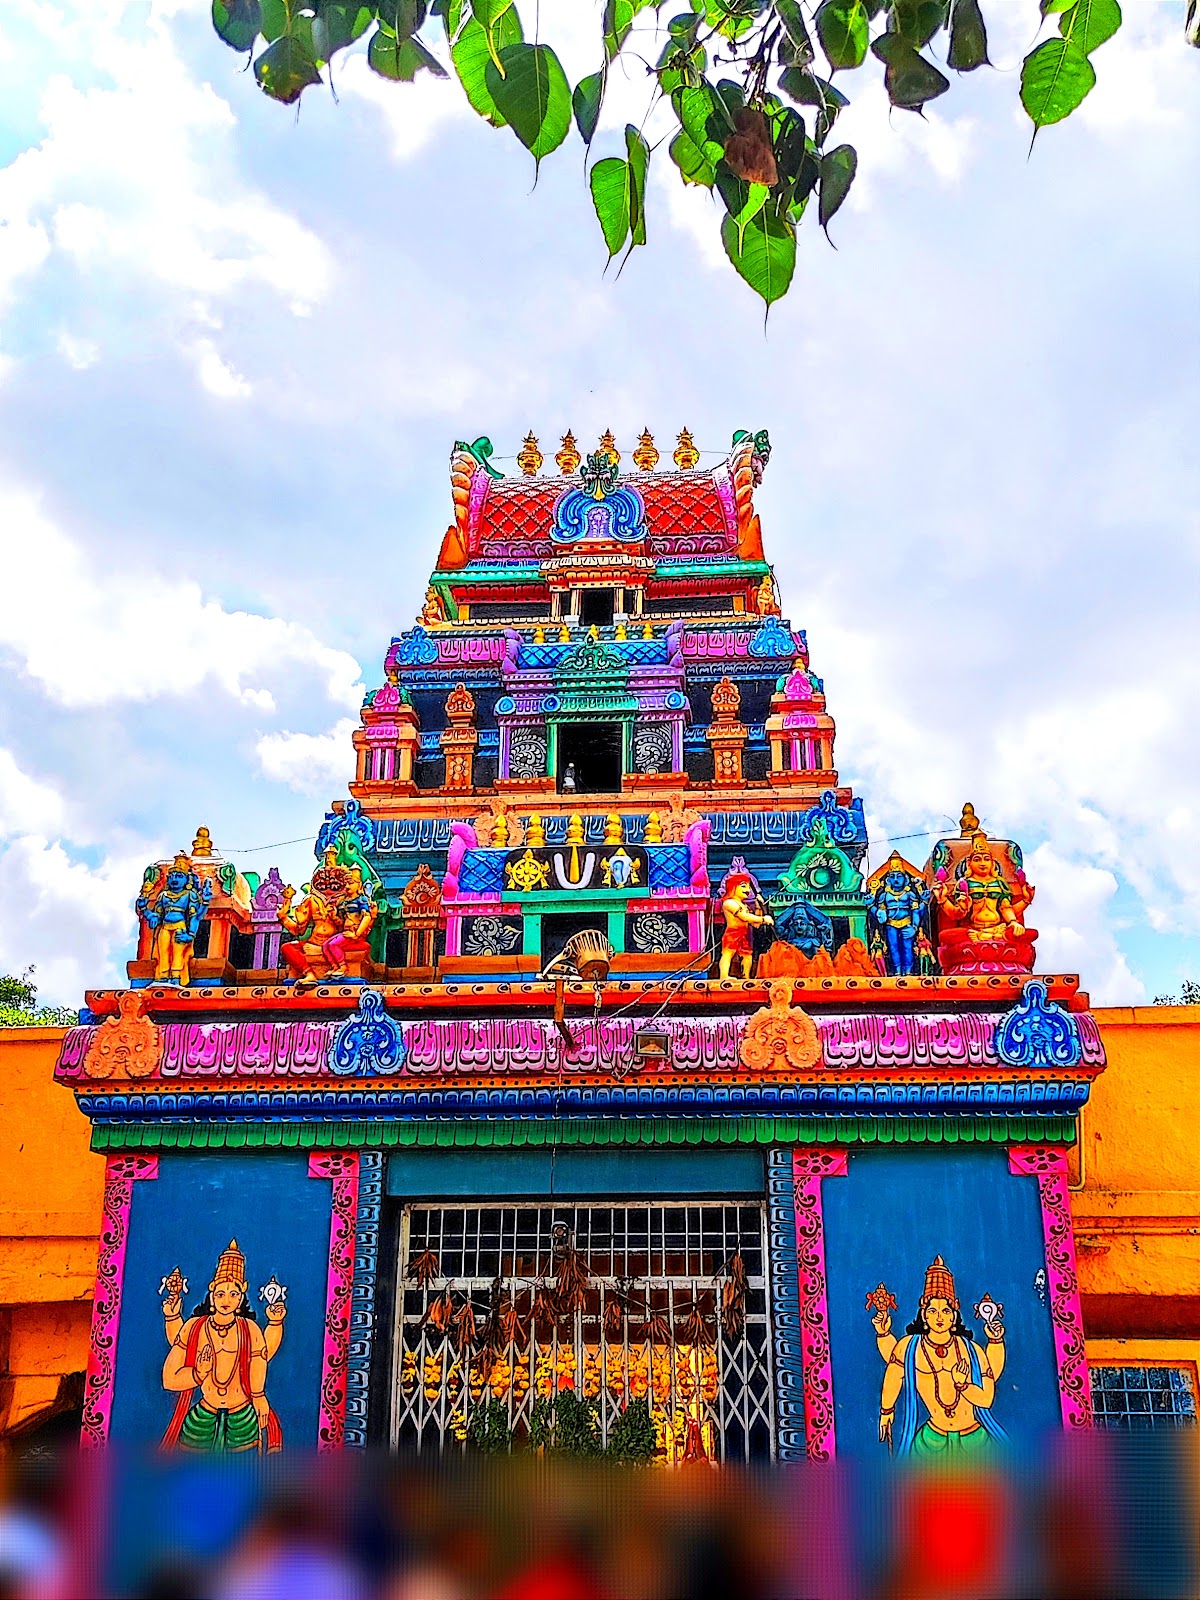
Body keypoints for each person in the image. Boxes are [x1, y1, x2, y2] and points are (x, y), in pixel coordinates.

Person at [871, 1256, 1006, 1457]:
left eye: (945, 1310)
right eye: (933, 1310)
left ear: (954, 1315)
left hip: (975, 1443)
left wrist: (995, 1342)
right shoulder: (910, 1347)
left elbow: (986, 1397)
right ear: (924, 1315)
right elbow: (894, 1371)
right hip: (931, 1442)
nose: (939, 1317)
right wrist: (886, 1411)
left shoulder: (972, 1351)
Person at [161, 1241, 285, 1452]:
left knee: (245, 1480)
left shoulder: (250, 1329)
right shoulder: (195, 1328)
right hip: (202, 1420)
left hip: (242, 1421)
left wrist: (275, 1323)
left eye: (233, 1294)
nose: (226, 1300)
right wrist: (198, 1373)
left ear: (242, 1294)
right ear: (211, 1292)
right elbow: (169, 1379)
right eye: (220, 1294)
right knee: (192, 1480)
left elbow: (263, 1356)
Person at [718, 874, 773, 980]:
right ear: (733, 887)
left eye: (748, 886)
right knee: (728, 954)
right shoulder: (729, 903)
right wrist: (763, 919)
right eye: (743, 886)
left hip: (744, 932)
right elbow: (745, 917)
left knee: (747, 955)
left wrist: (759, 906)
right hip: (733, 932)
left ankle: (746, 977)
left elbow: (754, 924)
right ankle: (724, 976)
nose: (747, 889)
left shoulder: (744, 905)